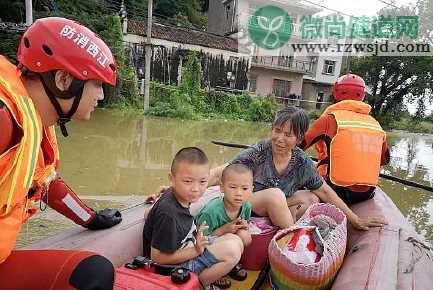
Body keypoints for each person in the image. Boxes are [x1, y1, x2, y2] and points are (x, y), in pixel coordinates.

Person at [0, 17, 122, 290]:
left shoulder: (38, 122)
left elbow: (45, 184)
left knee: (92, 272)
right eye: (97, 85)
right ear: (63, 79)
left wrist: (90, 218)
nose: (100, 96)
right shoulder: (5, 119)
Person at [209, 106, 387, 231]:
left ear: (299, 138)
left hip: (277, 205)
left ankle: (277, 225)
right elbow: (221, 173)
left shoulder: (301, 161)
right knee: (274, 194)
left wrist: (354, 219)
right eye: (277, 131)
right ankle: (292, 234)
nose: (279, 138)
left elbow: (325, 192)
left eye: (288, 135)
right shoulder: (260, 151)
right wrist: (188, 188)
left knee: (313, 197)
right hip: (249, 205)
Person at [142, 147, 244, 288]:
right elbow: (157, 257)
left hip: (188, 245)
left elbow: (149, 215)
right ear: (172, 179)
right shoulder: (169, 214)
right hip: (169, 270)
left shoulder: (177, 194)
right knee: (231, 251)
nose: (196, 188)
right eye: (188, 181)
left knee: (236, 240)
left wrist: (151, 209)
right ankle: (197, 285)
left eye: (202, 182)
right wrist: (195, 251)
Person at [300, 74, 390, 204]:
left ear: (336, 93)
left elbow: (297, 145)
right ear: (362, 95)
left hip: (335, 191)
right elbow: (385, 160)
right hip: (367, 193)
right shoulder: (375, 123)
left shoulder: (328, 120)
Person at [195, 163, 253, 283]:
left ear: (251, 190)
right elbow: (199, 242)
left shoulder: (246, 205)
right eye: (233, 187)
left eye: (244, 188)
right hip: (204, 249)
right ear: (222, 187)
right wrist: (224, 230)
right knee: (235, 239)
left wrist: (245, 226)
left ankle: (230, 265)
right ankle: (215, 272)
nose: (239, 193)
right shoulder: (211, 212)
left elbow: (246, 224)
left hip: (229, 244)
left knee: (245, 236)